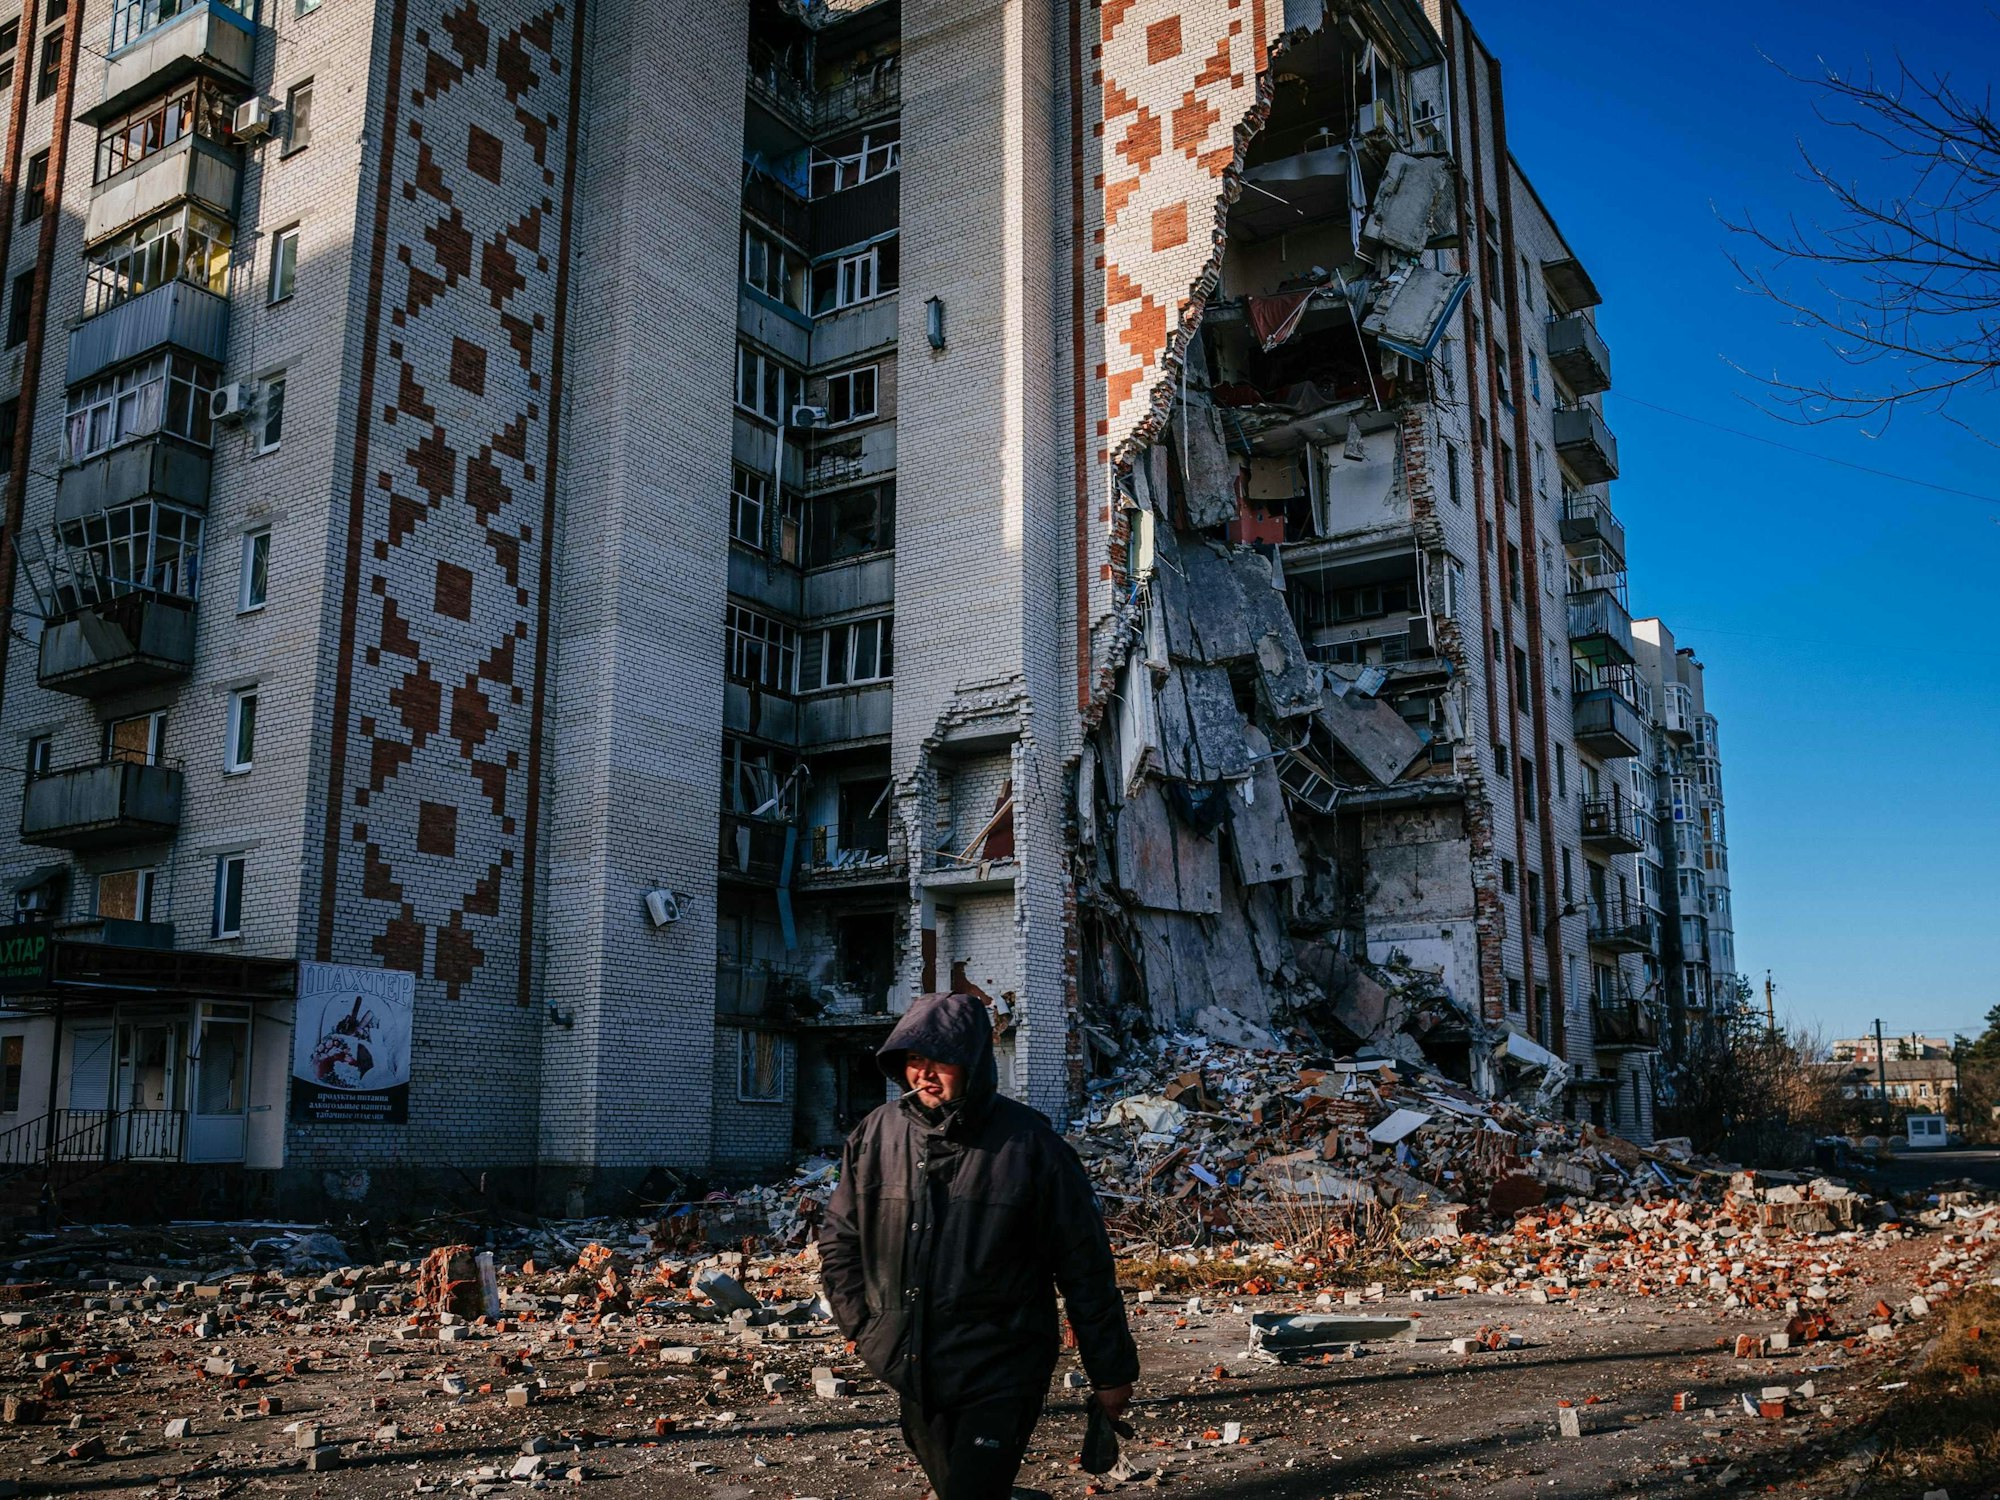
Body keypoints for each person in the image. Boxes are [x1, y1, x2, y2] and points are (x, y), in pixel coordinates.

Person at [819, 991, 1139, 1500]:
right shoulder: (876, 1135)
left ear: (972, 1063)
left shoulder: (1030, 1147)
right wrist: (865, 1324)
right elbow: (840, 1239)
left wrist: (1111, 1371)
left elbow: (1085, 1266)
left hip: (1002, 1367)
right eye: (913, 1060)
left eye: (939, 1060)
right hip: (913, 1366)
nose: (923, 1073)